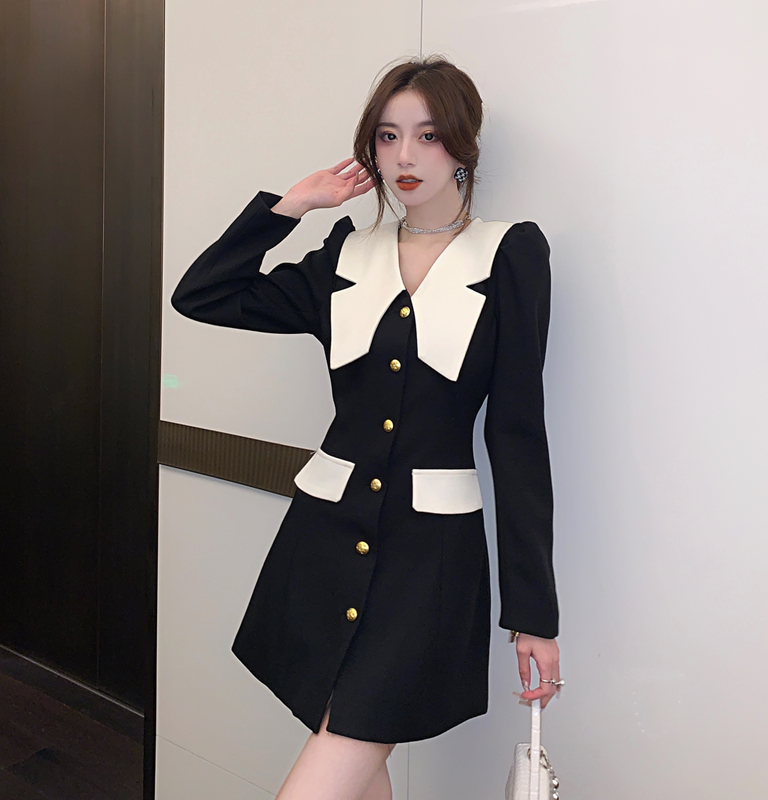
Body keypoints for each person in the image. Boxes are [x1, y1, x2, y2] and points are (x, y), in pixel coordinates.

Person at [171, 54, 561, 800]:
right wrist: (291, 206)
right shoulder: (346, 255)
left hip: (427, 566)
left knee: (336, 754)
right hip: (323, 546)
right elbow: (203, 295)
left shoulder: (509, 254)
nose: (405, 156)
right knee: (355, 755)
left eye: (427, 135)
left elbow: (516, 435)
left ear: (463, 146)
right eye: (387, 136)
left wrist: (532, 614)